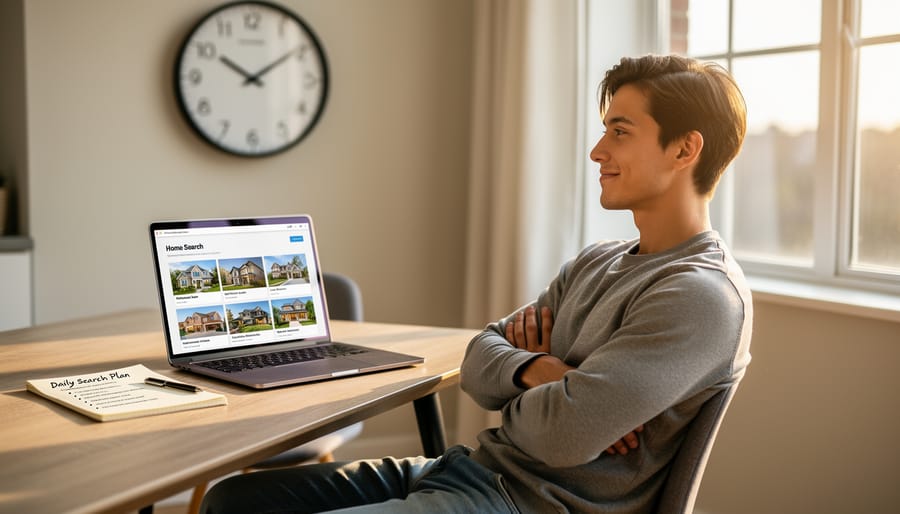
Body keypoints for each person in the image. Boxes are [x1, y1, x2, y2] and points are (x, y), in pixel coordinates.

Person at [200, 54, 753, 514]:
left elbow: (562, 436)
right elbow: (479, 361)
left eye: (620, 132)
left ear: (685, 149)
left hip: (525, 503)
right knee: (232, 501)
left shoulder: (699, 295)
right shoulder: (596, 262)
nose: (597, 151)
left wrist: (546, 396)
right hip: (467, 468)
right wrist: (543, 372)